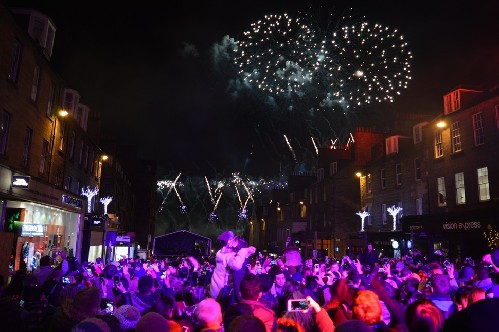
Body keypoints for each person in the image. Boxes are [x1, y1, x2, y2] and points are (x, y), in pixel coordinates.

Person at [209, 230, 256, 301]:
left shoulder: (220, 252)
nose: (233, 241)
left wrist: (246, 253)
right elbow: (236, 265)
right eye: (232, 239)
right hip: (222, 293)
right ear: (228, 241)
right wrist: (244, 251)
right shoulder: (227, 256)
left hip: (215, 290)